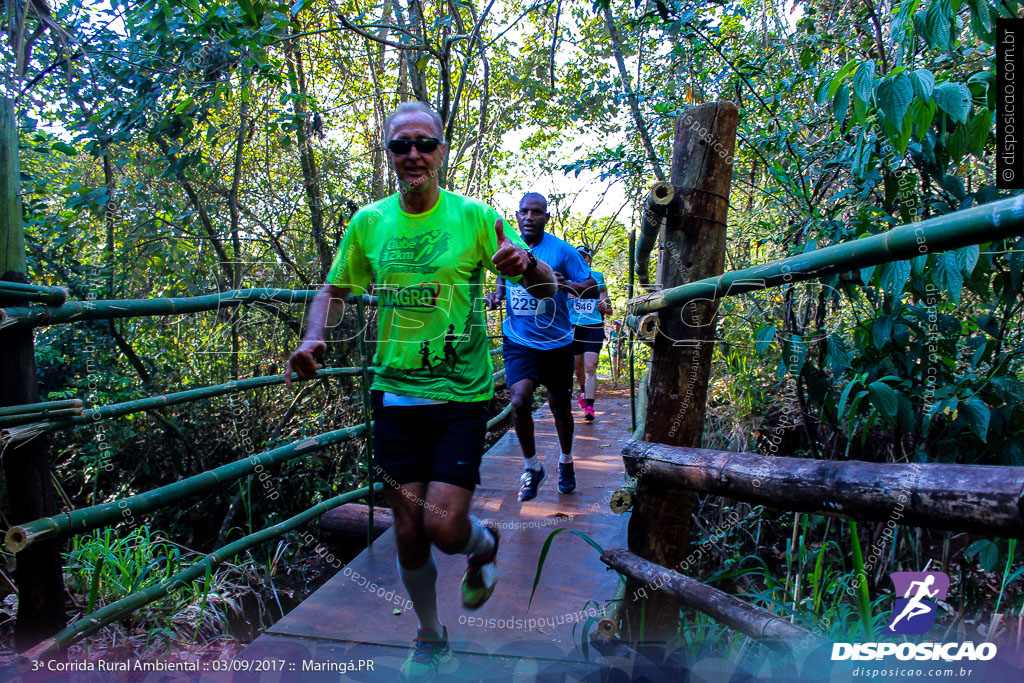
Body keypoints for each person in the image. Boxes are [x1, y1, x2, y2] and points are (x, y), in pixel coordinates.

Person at [285, 101, 556, 683]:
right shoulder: (369, 223)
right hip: (394, 396)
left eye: (424, 144)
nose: (413, 154)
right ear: (389, 154)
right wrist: (313, 339)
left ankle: (482, 544)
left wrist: (526, 263)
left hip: (460, 396)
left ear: (440, 150)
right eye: (400, 145)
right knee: (408, 527)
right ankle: (432, 634)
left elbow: (547, 284)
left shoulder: (477, 219)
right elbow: (331, 290)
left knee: (444, 527)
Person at [486, 193, 597, 500]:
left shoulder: (562, 250)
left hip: (557, 342)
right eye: (524, 212)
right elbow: (501, 277)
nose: (529, 217)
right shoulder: (507, 245)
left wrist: (565, 286)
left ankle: (566, 461)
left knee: (559, 407)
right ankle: (532, 467)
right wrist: (497, 295)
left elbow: (591, 288)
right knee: (519, 401)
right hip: (518, 340)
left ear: (546, 217)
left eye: (537, 212)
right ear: (517, 215)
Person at [569, 245, 612, 421]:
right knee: (578, 367)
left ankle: (590, 407)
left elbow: (609, 308)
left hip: (593, 326)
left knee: (590, 366)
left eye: (585, 256)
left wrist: (604, 306)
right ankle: (583, 389)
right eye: (578, 256)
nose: (582, 258)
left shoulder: (597, 277)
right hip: (573, 327)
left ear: (589, 259)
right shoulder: (566, 277)